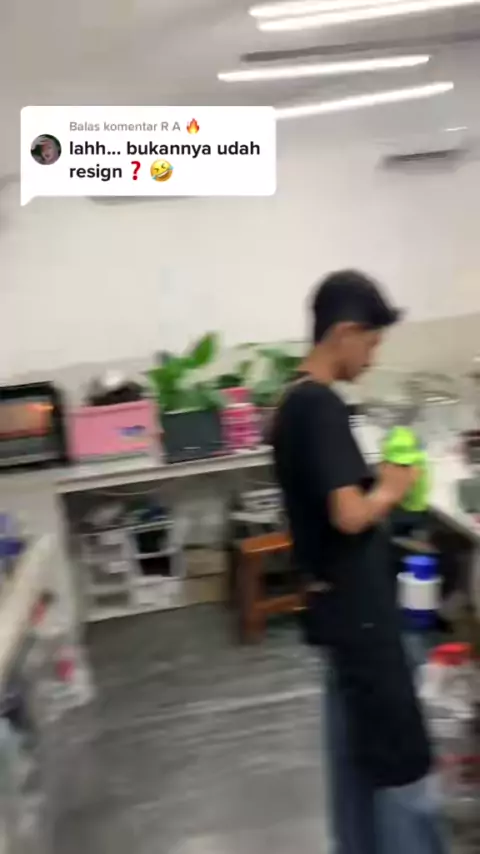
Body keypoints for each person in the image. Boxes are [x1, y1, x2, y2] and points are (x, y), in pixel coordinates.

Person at [272, 271, 449, 854]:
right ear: (344, 333)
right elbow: (348, 514)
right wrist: (393, 487)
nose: (372, 358)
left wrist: (377, 485)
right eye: (370, 343)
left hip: (334, 608)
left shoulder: (292, 400)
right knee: (401, 757)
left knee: (356, 759)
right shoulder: (320, 405)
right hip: (361, 613)